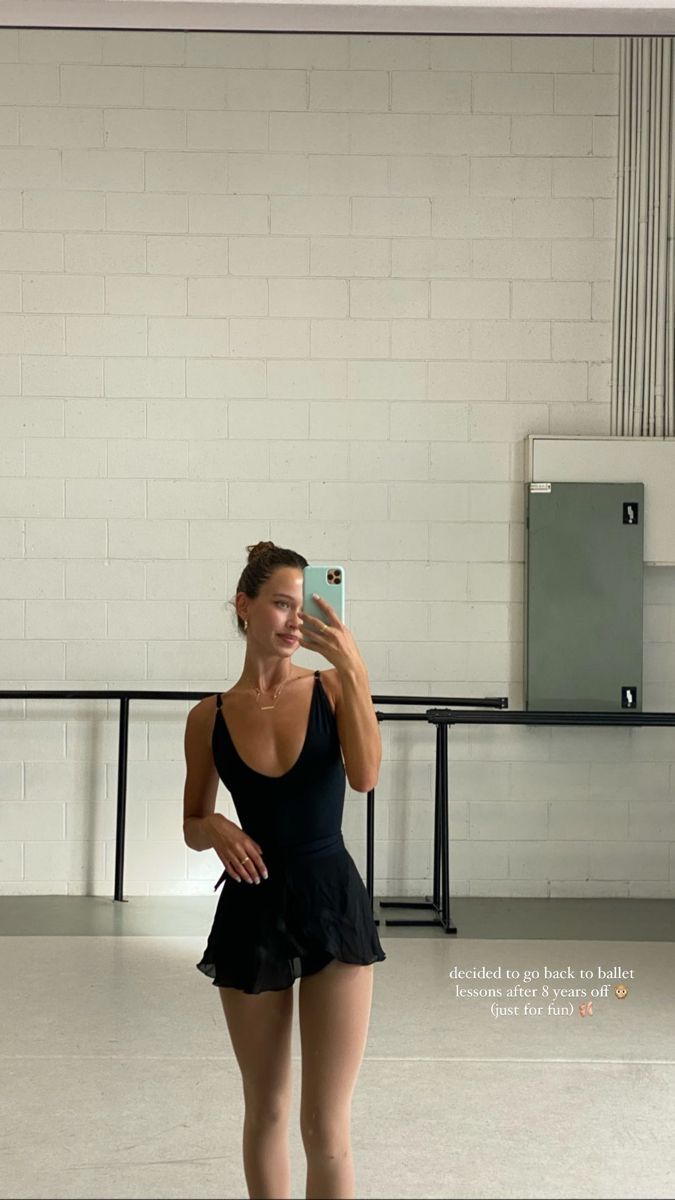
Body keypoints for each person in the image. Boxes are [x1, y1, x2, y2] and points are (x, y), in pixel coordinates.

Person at [182, 540, 386, 1200]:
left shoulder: (331, 687)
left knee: (324, 1125)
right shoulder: (207, 716)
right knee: (265, 1112)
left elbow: (365, 776)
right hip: (251, 907)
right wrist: (214, 827)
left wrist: (352, 667)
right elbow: (192, 821)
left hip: (331, 900)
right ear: (244, 607)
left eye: (303, 607)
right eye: (279, 604)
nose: (294, 621)